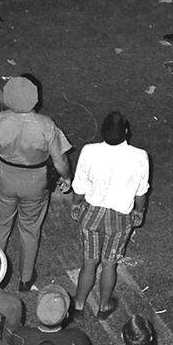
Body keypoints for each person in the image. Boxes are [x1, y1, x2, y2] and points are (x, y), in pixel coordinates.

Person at [0, 76, 71, 291]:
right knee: (30, 228)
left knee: (0, 224)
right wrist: (66, 177)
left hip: (4, 177)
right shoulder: (46, 125)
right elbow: (60, 161)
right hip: (36, 181)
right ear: (35, 98)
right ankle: (26, 277)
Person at [70, 111, 149, 320]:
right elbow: (141, 191)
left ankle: (78, 304)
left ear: (102, 132)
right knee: (109, 263)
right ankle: (104, 305)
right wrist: (139, 211)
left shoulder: (89, 151)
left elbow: (79, 185)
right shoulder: (140, 156)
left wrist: (76, 205)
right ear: (126, 132)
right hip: (120, 218)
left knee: (89, 262)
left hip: (92, 214)